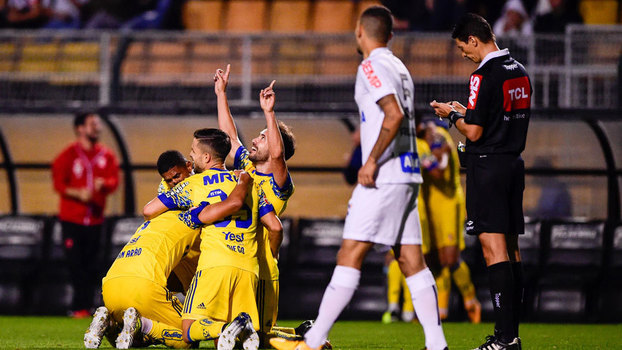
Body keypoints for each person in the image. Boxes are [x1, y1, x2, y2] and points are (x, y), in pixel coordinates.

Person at [271, 6, 448, 350]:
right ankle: (437, 344)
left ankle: (313, 340)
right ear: (390, 35)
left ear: (359, 32)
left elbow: (393, 115)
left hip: (384, 175)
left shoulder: (371, 66)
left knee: (349, 253)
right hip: (409, 174)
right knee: (411, 259)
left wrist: (370, 161)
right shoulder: (400, 66)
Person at [430, 12, 531, 350]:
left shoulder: (482, 75)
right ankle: (511, 334)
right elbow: (494, 119)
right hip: (513, 165)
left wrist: (453, 114)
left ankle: (503, 339)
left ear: (474, 39)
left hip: (487, 169)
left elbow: (473, 130)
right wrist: (467, 113)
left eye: (463, 47)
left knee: (493, 249)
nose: (463, 54)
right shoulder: (520, 72)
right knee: (512, 249)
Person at [84, 167, 254, 349]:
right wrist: (241, 181)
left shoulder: (150, 223)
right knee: (188, 337)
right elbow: (229, 204)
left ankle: (110, 325)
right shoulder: (193, 215)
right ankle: (143, 325)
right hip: (143, 288)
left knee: (130, 334)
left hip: (109, 288)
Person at [144, 128, 283, 350]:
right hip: (248, 269)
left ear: (206, 157)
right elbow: (275, 227)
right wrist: (271, 255)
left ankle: (223, 328)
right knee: (232, 345)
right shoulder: (249, 182)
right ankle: (298, 339)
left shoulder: (192, 185)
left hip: (214, 266)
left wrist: (190, 216)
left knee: (189, 331)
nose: (191, 156)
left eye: (193, 152)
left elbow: (149, 210)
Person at [214, 65, 299, 346]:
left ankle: (304, 340)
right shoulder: (246, 167)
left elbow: (277, 154)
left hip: (263, 267)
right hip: (237, 261)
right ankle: (303, 334)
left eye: (262, 136)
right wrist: (220, 94)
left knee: (260, 338)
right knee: (235, 335)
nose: (255, 139)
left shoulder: (279, 181)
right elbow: (229, 137)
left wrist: (269, 113)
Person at [52, 112, 119, 318]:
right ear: (80, 128)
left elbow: (114, 181)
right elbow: (59, 184)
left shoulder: (106, 156)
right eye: (92, 124)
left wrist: (104, 184)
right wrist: (77, 192)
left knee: (93, 264)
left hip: (96, 219)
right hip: (72, 219)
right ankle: (78, 306)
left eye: (97, 124)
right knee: (75, 263)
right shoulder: (68, 155)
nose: (96, 128)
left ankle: (89, 307)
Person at [420, 120, 481, 323]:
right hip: (430, 205)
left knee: (450, 259)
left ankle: (470, 300)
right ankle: (441, 310)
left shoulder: (435, 134)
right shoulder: (417, 139)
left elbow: (439, 169)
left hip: (447, 203)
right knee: (435, 260)